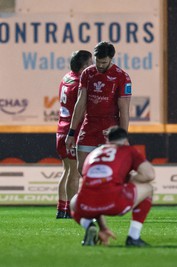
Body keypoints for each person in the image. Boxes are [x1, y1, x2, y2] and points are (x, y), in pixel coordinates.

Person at [71, 126, 155, 247]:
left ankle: (89, 225)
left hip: (86, 205)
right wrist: (127, 180)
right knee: (148, 188)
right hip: (115, 203)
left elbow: (96, 188)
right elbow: (149, 175)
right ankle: (133, 237)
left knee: (74, 203)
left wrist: (103, 227)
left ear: (107, 141)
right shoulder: (128, 150)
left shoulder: (95, 153)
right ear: (125, 141)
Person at [65, 41, 132, 175]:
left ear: (111, 59)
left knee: (109, 171)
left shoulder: (122, 77)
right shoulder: (87, 74)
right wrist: (71, 132)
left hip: (109, 128)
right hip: (89, 126)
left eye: (104, 62)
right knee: (82, 169)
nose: (100, 65)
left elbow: (124, 111)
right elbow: (80, 103)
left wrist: (123, 137)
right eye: (97, 61)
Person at [55, 50, 93, 219]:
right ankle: (72, 210)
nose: (93, 66)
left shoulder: (66, 78)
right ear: (84, 66)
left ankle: (61, 208)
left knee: (67, 170)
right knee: (74, 173)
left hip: (61, 129)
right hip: (72, 130)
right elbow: (82, 107)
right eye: (90, 63)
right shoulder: (80, 82)